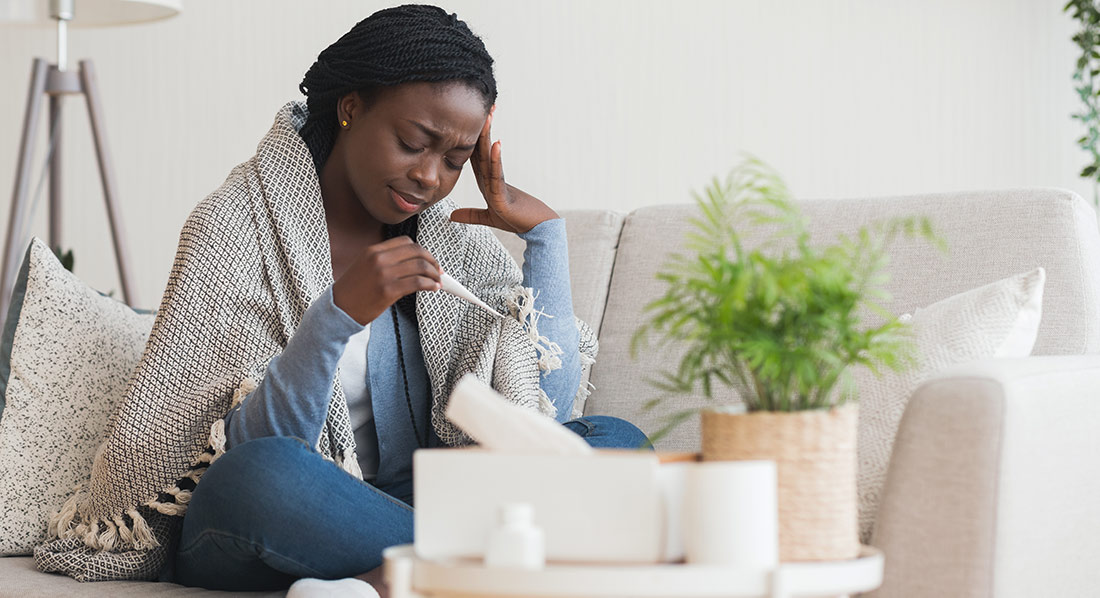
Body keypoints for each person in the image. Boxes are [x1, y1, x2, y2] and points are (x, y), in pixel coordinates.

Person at [33, 5, 648, 596]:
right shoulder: (234, 226)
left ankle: (390, 581)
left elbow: (542, 417)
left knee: (617, 443)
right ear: (351, 108)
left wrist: (546, 237)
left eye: (455, 159)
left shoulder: (455, 246)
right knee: (262, 476)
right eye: (414, 142)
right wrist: (334, 318)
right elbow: (247, 446)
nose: (430, 177)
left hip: (410, 505)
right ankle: (494, 562)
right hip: (280, 512)